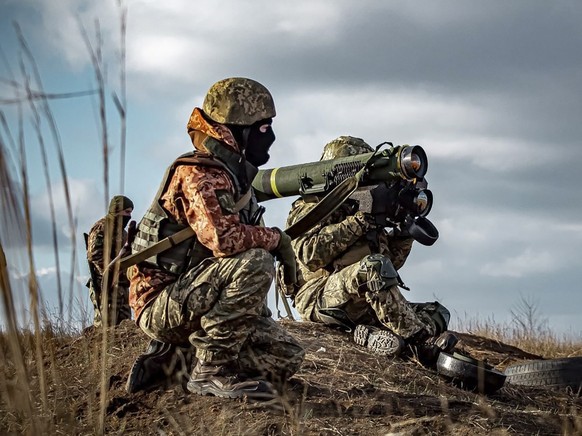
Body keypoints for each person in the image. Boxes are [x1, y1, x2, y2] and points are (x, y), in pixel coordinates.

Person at [125, 77, 304, 399]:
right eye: (263, 129)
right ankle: (211, 371)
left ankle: (179, 358)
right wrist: (277, 240)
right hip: (162, 303)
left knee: (286, 356)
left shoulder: (233, 177)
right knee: (256, 260)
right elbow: (225, 241)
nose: (271, 138)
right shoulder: (198, 173)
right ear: (238, 129)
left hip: (196, 297)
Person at [281, 135, 457, 366]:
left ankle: (377, 337)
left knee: (438, 313)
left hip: (362, 302)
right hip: (319, 296)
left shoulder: (366, 204)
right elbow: (310, 255)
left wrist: (404, 232)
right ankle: (420, 343)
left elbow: (390, 265)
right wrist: (361, 221)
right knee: (373, 267)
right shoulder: (312, 205)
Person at [85, 195, 134, 327]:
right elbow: (95, 255)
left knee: (124, 328)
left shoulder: (123, 233)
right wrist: (111, 273)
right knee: (105, 329)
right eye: (127, 212)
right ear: (117, 210)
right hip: (105, 285)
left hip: (122, 287)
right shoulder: (102, 228)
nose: (129, 216)